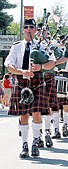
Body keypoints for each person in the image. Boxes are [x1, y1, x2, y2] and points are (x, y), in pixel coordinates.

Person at [4, 18, 55, 158]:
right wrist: (21, 72)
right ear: (23, 30)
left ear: (35, 30)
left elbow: (52, 63)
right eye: (26, 27)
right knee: (24, 115)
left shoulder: (42, 45)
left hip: (37, 81)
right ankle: (24, 145)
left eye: (31, 27)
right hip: (21, 82)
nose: (28, 29)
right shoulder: (16, 46)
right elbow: (8, 64)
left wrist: (41, 67)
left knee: (37, 113)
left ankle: (35, 143)